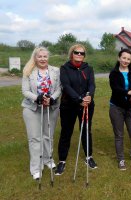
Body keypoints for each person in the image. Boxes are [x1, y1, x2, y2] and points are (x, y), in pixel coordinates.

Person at [55, 44, 97, 175]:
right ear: (71, 53)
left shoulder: (88, 68)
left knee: (86, 130)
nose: (79, 55)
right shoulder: (64, 68)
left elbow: (91, 84)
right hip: (69, 105)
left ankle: (89, 157)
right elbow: (66, 86)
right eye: (76, 52)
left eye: (82, 53)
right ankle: (62, 160)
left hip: (87, 104)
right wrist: (79, 99)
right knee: (66, 132)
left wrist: (88, 96)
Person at [22, 47, 61, 180]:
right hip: (32, 108)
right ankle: (35, 167)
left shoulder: (55, 71)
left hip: (51, 108)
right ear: (35, 58)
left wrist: (52, 98)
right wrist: (37, 98)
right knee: (35, 138)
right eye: (40, 56)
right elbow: (25, 91)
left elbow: (59, 88)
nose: (43, 59)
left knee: (48, 136)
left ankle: (48, 160)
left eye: (45, 56)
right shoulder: (28, 71)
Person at [109, 48, 131, 170]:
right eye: (124, 58)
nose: (126, 60)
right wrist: (128, 92)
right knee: (119, 135)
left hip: (130, 108)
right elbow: (115, 89)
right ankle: (121, 160)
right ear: (119, 58)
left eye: (128, 59)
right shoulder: (114, 73)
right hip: (116, 107)